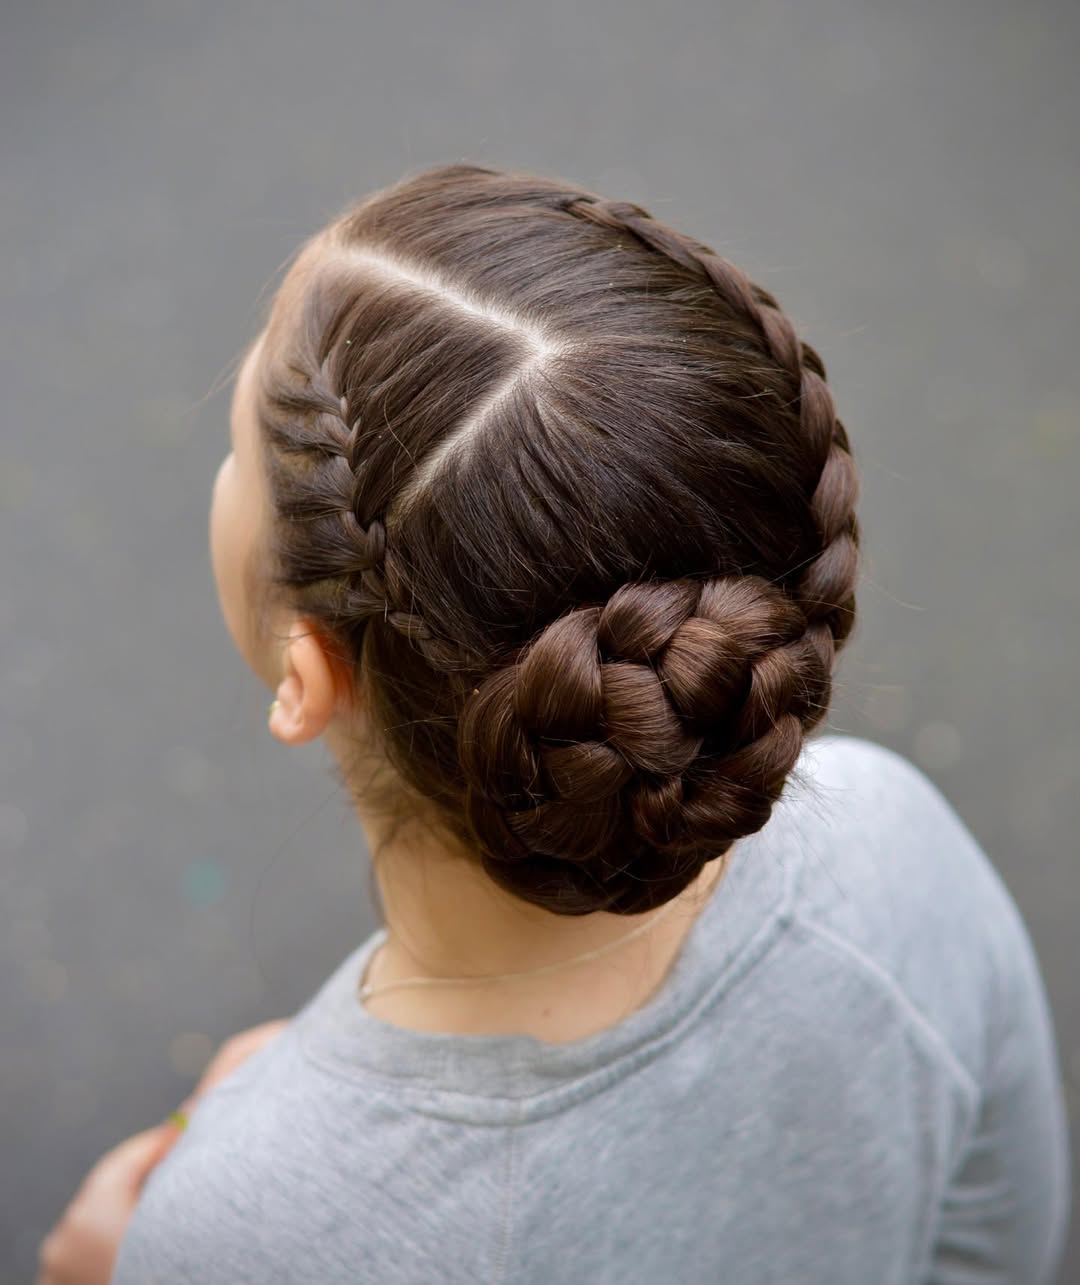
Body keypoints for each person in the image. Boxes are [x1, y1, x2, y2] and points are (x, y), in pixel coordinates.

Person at [41, 163, 1069, 1284]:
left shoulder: (240, 1236)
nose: (228, 470)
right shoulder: (895, 852)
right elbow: (995, 1243)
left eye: (239, 450)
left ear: (308, 672)